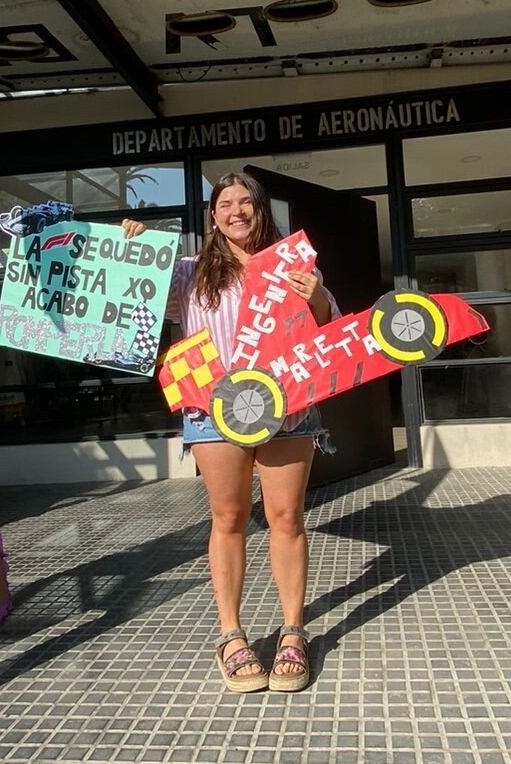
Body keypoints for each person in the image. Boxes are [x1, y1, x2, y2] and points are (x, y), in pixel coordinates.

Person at [122, 171, 339, 693]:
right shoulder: (189, 272)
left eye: (246, 202)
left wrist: (318, 295)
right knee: (228, 518)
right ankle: (231, 635)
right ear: (213, 216)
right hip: (212, 408)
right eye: (226, 204)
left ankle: (293, 632)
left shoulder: (294, 266)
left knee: (286, 517)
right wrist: (132, 250)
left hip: (288, 407)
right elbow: (136, 302)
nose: (237, 211)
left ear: (261, 210)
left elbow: (329, 330)